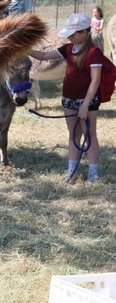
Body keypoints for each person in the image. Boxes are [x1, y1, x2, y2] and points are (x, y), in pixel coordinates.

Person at [30, 13, 102, 183]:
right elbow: (43, 56)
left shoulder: (94, 52)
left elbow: (96, 80)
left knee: (89, 135)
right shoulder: (68, 49)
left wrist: (85, 105)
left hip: (88, 101)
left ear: (84, 32)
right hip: (69, 99)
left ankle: (93, 173)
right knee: (73, 134)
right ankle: (72, 170)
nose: (69, 36)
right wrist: (25, 49)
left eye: (73, 33)